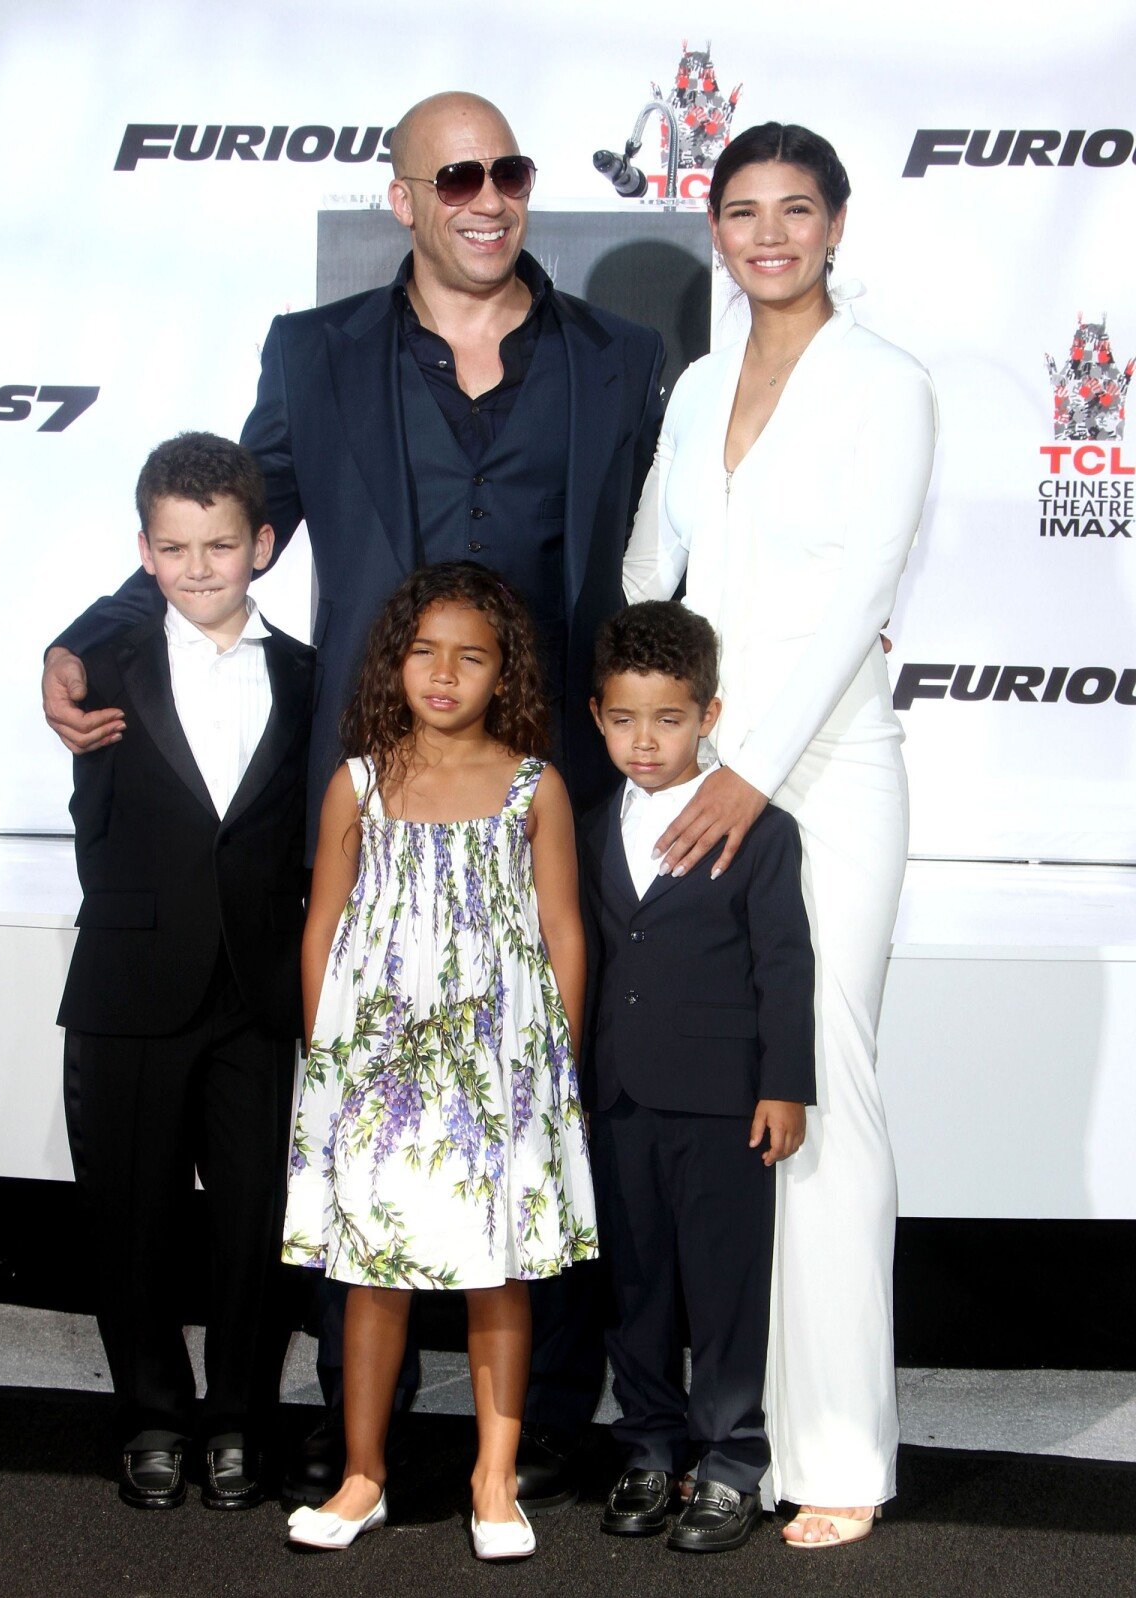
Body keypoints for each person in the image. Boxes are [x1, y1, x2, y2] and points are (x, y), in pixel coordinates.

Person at [41, 89, 664, 1510]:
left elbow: (673, 552)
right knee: (356, 1101)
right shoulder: (313, 357)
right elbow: (229, 526)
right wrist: (85, 634)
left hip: (537, 794)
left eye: (507, 171)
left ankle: (554, 1415)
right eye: (455, 176)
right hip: (369, 803)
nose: (486, 197)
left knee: (534, 1091)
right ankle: (348, 1424)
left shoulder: (620, 361)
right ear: (404, 197)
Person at [623, 123, 938, 1546]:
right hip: (703, 774)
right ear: (715, 229)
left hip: (825, 768)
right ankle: (726, 1427)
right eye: (741, 211)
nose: (768, 235)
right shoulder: (695, 386)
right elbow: (651, 565)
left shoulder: (891, 385)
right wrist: (661, 728)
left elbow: (868, 578)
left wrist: (744, 769)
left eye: (794, 210)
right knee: (726, 1091)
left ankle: (842, 1451)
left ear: (837, 224)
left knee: (827, 1088)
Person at [280, 562, 596, 1559]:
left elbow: (561, 927)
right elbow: (323, 922)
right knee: (374, 1275)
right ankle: (363, 1473)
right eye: (425, 650)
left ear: (504, 672)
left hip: (501, 1071)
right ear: (396, 663)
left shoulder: (535, 785)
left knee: (499, 1273)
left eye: (472, 654)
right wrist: (326, 1058)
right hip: (377, 1067)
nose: (446, 672)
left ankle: (494, 1480)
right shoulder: (360, 782)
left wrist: (559, 1068)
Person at [57, 432, 314, 1511]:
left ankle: (237, 1421)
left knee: (255, 1220)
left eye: (219, 543)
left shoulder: (307, 674)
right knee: (133, 1215)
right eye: (174, 546)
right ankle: (154, 1413)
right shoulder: (90, 665)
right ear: (143, 551)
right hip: (127, 988)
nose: (199, 566)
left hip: (258, 991)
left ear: (261, 543)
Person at [578, 601, 814, 1555]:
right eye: (625, 720)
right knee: (634, 1285)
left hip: (724, 1103)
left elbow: (784, 963)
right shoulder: (588, 824)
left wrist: (784, 1083)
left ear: (709, 714)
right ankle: (646, 1445)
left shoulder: (761, 829)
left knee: (723, 1289)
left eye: (668, 719)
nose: (645, 741)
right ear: (597, 715)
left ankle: (729, 1462)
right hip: (619, 1098)